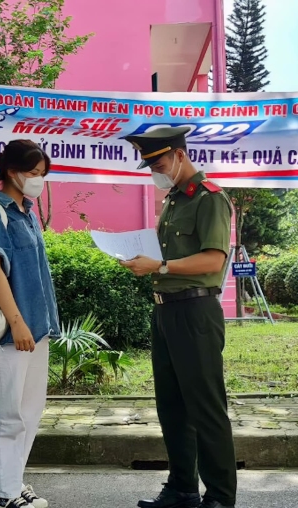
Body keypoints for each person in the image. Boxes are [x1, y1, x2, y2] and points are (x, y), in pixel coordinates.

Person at [119, 127, 238, 508]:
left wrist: (163, 265)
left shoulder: (209, 199)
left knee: (205, 406)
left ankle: (219, 496)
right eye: (150, 164)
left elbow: (213, 260)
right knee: (172, 405)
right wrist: (145, 264)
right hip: (165, 311)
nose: (154, 169)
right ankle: (181, 488)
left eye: (159, 162)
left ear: (180, 156)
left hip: (195, 310)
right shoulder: (172, 200)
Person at [0, 139, 61, 508]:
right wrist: (17, 322)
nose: (39, 180)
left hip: (37, 329)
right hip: (12, 332)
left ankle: (13, 482)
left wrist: (36, 324)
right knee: (5, 413)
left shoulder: (26, 212)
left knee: (28, 413)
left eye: (42, 175)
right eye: (33, 173)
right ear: (11, 171)